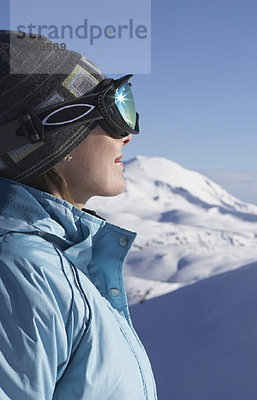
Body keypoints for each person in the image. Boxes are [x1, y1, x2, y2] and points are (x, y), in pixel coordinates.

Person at [0, 31, 157, 399]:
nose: (128, 134)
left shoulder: (57, 261)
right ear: (49, 131)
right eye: (115, 109)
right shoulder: (20, 272)